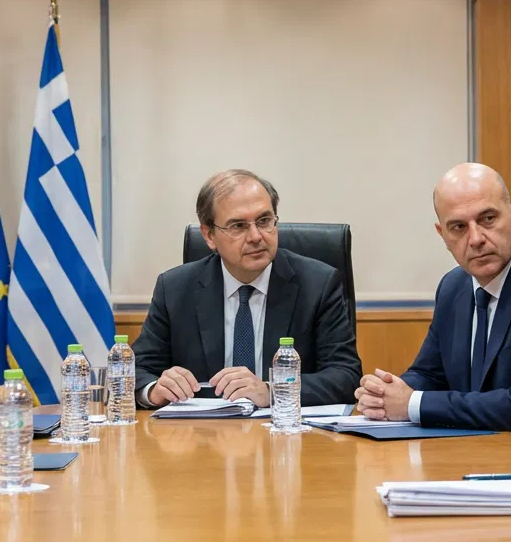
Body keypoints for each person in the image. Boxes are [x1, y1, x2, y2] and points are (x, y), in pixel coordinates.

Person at [355, 162, 511, 440]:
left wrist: (411, 404)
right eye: (458, 227)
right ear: (442, 235)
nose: (476, 238)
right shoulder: (454, 286)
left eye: (488, 219)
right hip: (481, 456)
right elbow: (429, 374)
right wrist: (386, 393)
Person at [133, 169, 361, 408]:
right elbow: (136, 370)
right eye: (238, 226)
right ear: (209, 235)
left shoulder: (318, 284)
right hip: (202, 438)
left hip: (287, 436)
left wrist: (272, 390)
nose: (255, 236)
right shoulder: (175, 289)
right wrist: (154, 390)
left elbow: (345, 376)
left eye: (264, 221)